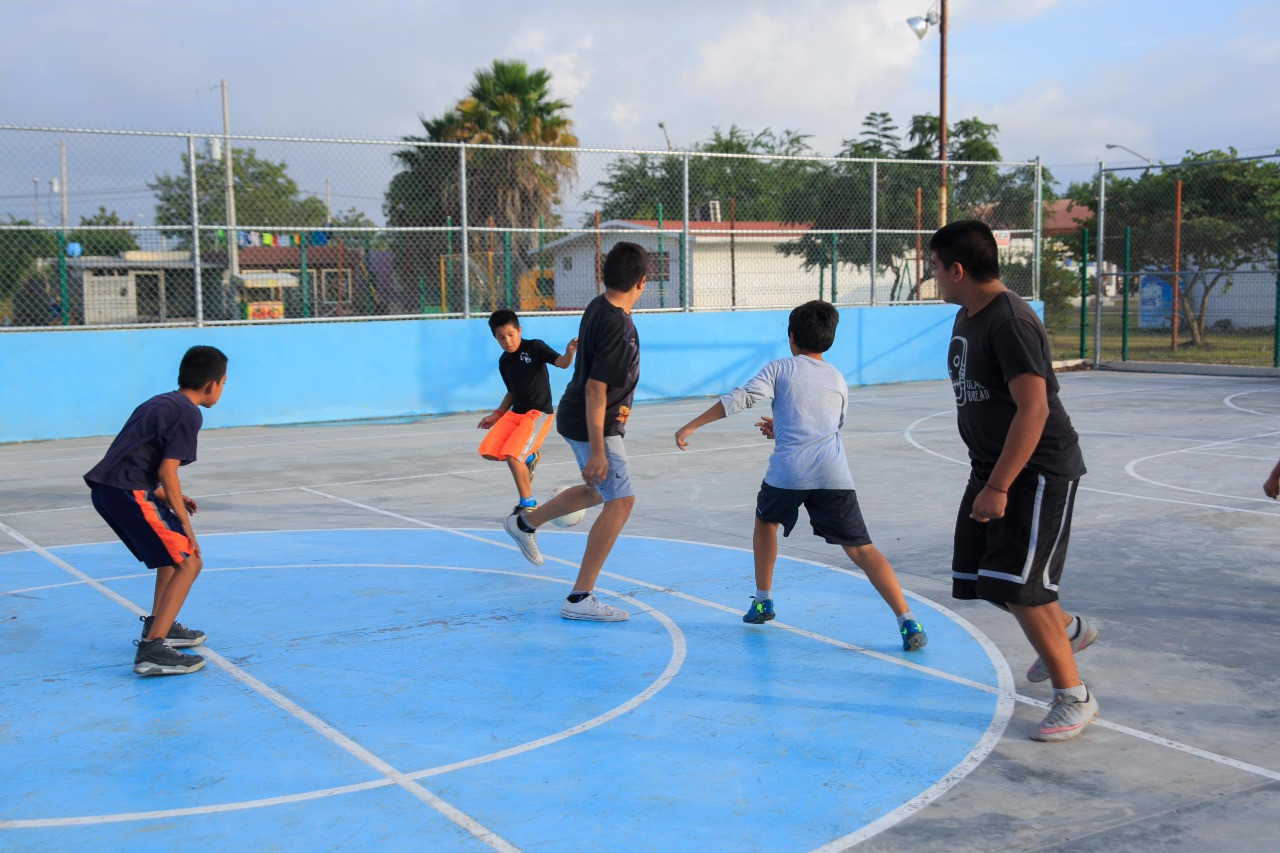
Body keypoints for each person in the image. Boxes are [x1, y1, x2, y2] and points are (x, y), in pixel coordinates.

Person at [673, 300, 927, 651]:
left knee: (766, 522)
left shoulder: (780, 368)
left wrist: (691, 425)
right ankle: (907, 620)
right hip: (833, 473)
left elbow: (742, 398)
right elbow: (830, 426)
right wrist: (783, 427)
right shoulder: (837, 378)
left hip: (789, 472)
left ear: (791, 336)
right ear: (829, 339)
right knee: (862, 550)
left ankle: (763, 600)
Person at [931, 220, 1098, 742]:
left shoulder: (1010, 321)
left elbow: (1034, 408)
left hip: (1035, 470)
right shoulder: (968, 314)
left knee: (1021, 586)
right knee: (983, 575)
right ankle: (1066, 630)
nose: (933, 277)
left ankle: (1073, 695)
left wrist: (999, 486)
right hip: (990, 465)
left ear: (958, 270)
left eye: (935, 268)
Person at [503, 241, 646, 622]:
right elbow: (597, 389)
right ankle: (580, 597)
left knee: (598, 492)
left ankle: (524, 522)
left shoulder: (599, 306)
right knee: (621, 501)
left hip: (576, 415)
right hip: (593, 422)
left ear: (604, 276)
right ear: (642, 282)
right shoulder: (618, 326)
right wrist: (598, 449)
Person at [84, 345, 228, 676]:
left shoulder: (158, 402)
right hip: (128, 492)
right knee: (190, 560)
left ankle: (160, 625)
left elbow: (134, 461)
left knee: (169, 558)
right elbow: (166, 470)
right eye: (223, 383)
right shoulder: (190, 413)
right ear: (212, 384)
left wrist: (164, 496)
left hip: (109, 490)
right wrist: (186, 526)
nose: (222, 389)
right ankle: (152, 651)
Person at [477, 309, 576, 511]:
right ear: (495, 338)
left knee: (513, 457)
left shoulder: (535, 347)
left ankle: (527, 503)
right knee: (488, 451)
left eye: (511, 334)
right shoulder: (504, 361)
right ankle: (530, 456)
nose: (507, 341)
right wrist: (497, 414)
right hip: (515, 414)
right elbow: (512, 391)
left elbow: (562, 363)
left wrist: (569, 353)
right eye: (501, 337)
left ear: (519, 330)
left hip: (537, 414)